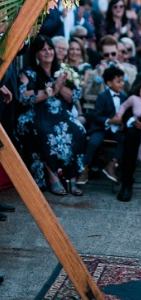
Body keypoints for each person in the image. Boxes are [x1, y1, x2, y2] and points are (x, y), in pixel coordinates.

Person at [17, 35, 86, 195]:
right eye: (43, 49)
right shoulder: (29, 71)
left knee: (78, 130)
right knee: (45, 132)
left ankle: (72, 178)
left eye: (50, 48)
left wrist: (59, 86)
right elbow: (23, 96)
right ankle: (52, 176)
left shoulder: (63, 71)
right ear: (36, 54)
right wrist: (50, 91)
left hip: (60, 114)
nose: (48, 52)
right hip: (35, 115)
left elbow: (74, 97)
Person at [79, 66, 126, 184]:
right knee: (93, 141)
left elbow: (126, 114)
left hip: (116, 129)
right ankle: (85, 168)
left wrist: (123, 123)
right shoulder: (102, 97)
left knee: (125, 139)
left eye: (122, 81)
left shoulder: (124, 97)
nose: (122, 84)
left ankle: (112, 165)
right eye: (118, 81)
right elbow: (96, 115)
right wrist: (110, 121)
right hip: (101, 127)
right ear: (109, 83)